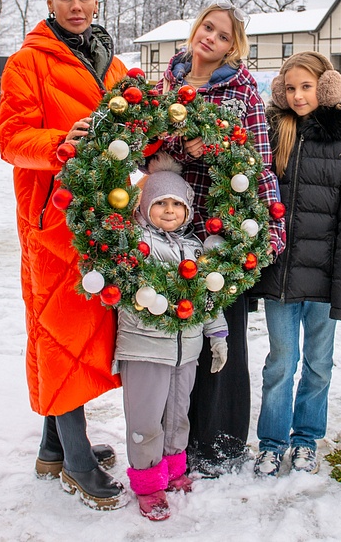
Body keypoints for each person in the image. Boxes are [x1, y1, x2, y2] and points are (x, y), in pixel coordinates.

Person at [0, 0, 129, 511]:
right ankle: (76, 461)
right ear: (50, 2)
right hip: (51, 219)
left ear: (97, 2)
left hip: (104, 217)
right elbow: (11, 137)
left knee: (81, 330)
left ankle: (54, 446)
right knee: (59, 329)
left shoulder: (113, 65)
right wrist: (60, 141)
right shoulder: (26, 63)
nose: (77, 5)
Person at [157, 1, 285, 478]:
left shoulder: (243, 91)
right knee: (177, 338)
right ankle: (174, 440)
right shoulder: (167, 83)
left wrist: (270, 229)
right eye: (206, 27)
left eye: (222, 34)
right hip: (169, 225)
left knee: (221, 338)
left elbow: (257, 159)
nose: (210, 37)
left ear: (234, 46)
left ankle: (220, 443)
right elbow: (148, 143)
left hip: (221, 230)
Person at [250, 52, 341, 477]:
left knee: (319, 363)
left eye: (307, 86)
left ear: (325, 87)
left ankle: (306, 439)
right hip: (281, 273)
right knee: (281, 362)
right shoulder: (272, 132)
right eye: (291, 87)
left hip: (325, 275)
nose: (298, 95)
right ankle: (271, 441)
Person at [118, 155, 229, 521]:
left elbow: (208, 297)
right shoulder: (136, 245)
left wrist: (217, 335)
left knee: (178, 414)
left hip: (187, 350)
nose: (168, 211)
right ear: (145, 205)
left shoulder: (195, 249)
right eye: (160, 203)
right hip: (145, 348)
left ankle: (173, 467)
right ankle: (148, 483)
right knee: (146, 419)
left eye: (176, 204)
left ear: (188, 208)